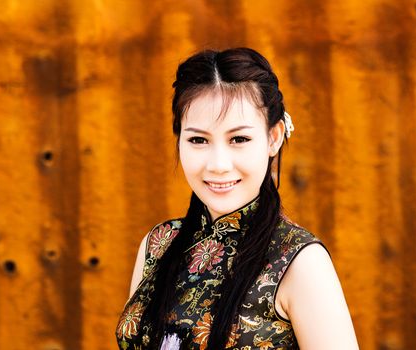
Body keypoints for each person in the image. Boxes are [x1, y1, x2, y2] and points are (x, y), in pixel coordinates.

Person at [116, 48, 359, 349]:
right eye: (198, 139)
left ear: (273, 137)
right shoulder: (158, 244)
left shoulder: (300, 262)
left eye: (239, 139)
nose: (218, 164)